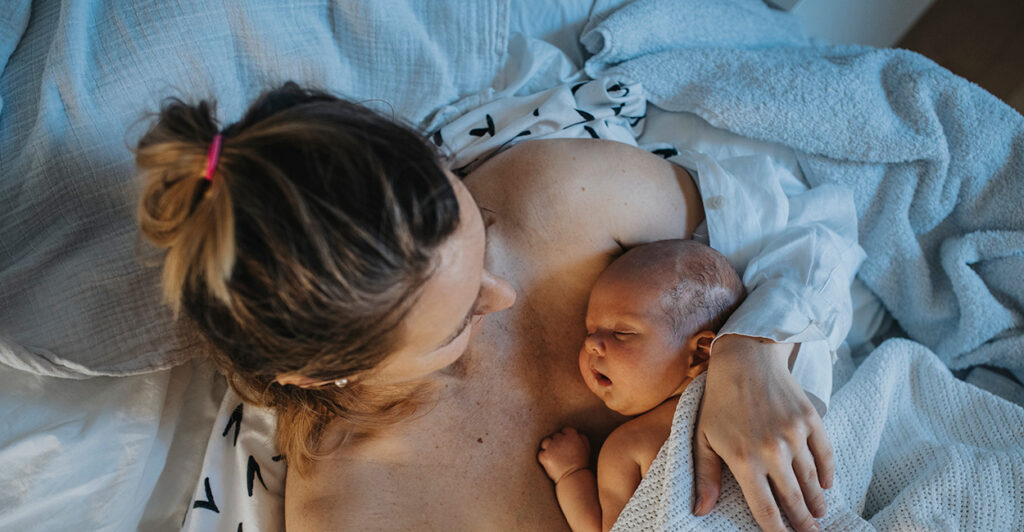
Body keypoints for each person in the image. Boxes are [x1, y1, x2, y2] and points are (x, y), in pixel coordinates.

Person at [136, 82, 836, 532]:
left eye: (480, 234)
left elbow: (808, 229)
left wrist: (753, 349)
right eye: (459, 317)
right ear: (322, 374)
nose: (502, 298)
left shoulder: (561, 198)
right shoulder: (366, 512)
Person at [537, 239, 745, 532]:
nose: (591, 344)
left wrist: (571, 473)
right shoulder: (752, 403)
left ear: (699, 353)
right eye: (591, 330)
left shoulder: (629, 447)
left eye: (622, 332)